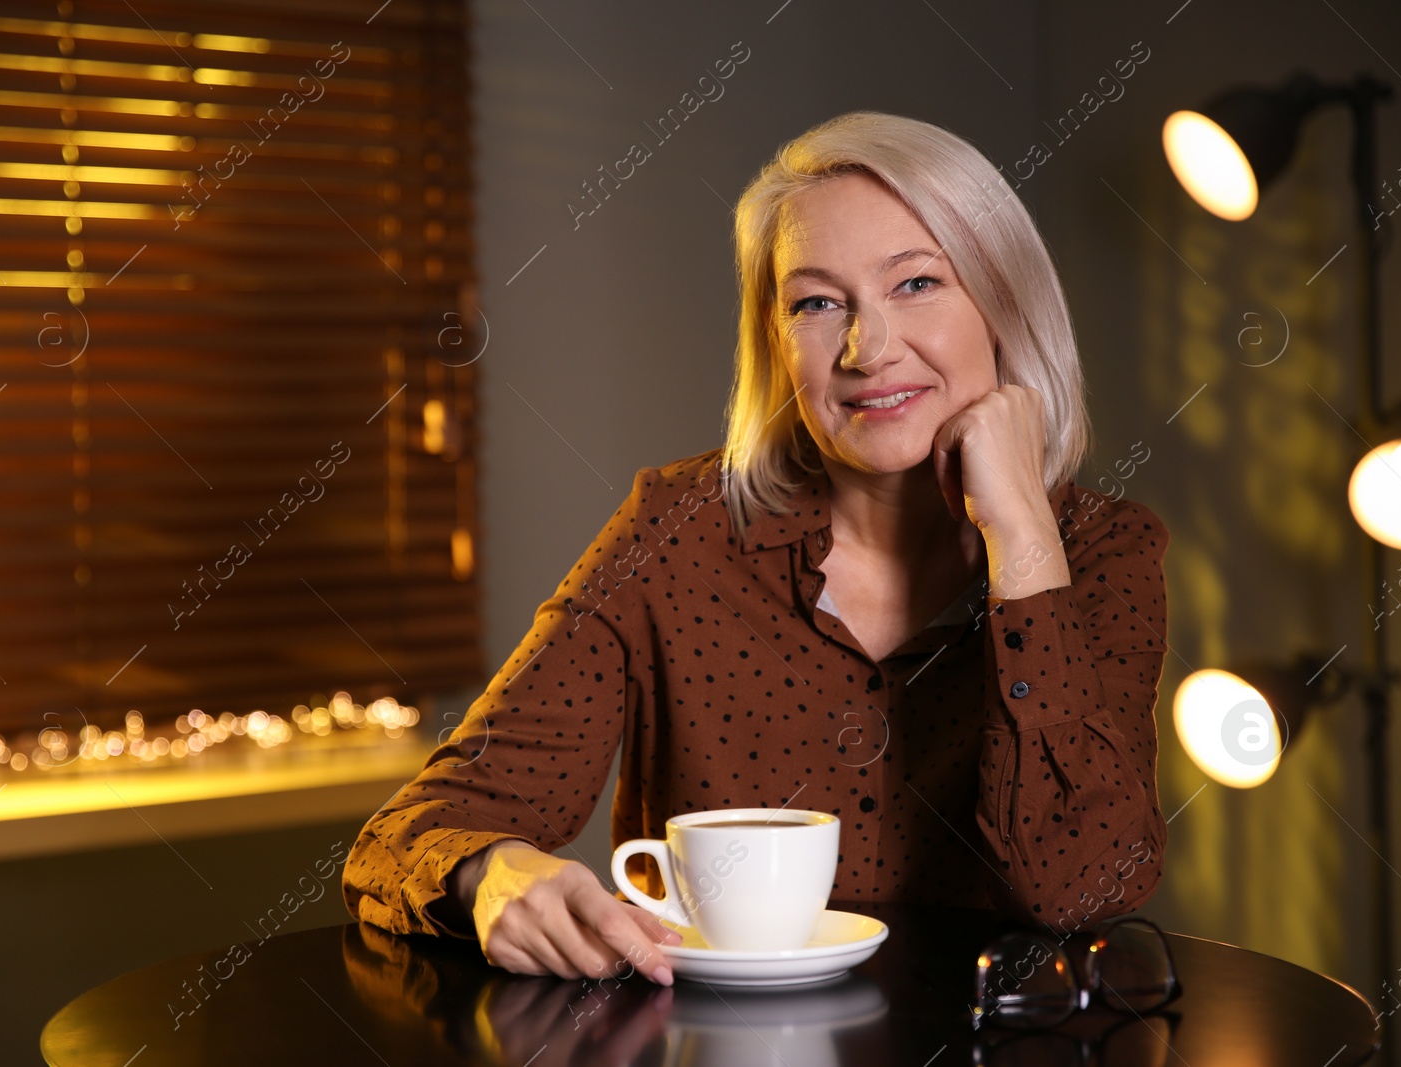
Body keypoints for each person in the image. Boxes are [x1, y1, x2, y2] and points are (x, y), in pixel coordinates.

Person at [342, 110, 1170, 989]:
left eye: (916, 284)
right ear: (776, 342)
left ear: (1005, 302)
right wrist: (490, 871)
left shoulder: (1106, 552)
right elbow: (408, 833)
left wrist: (1024, 542)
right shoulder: (673, 531)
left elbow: (1086, 885)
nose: (868, 348)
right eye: (817, 303)